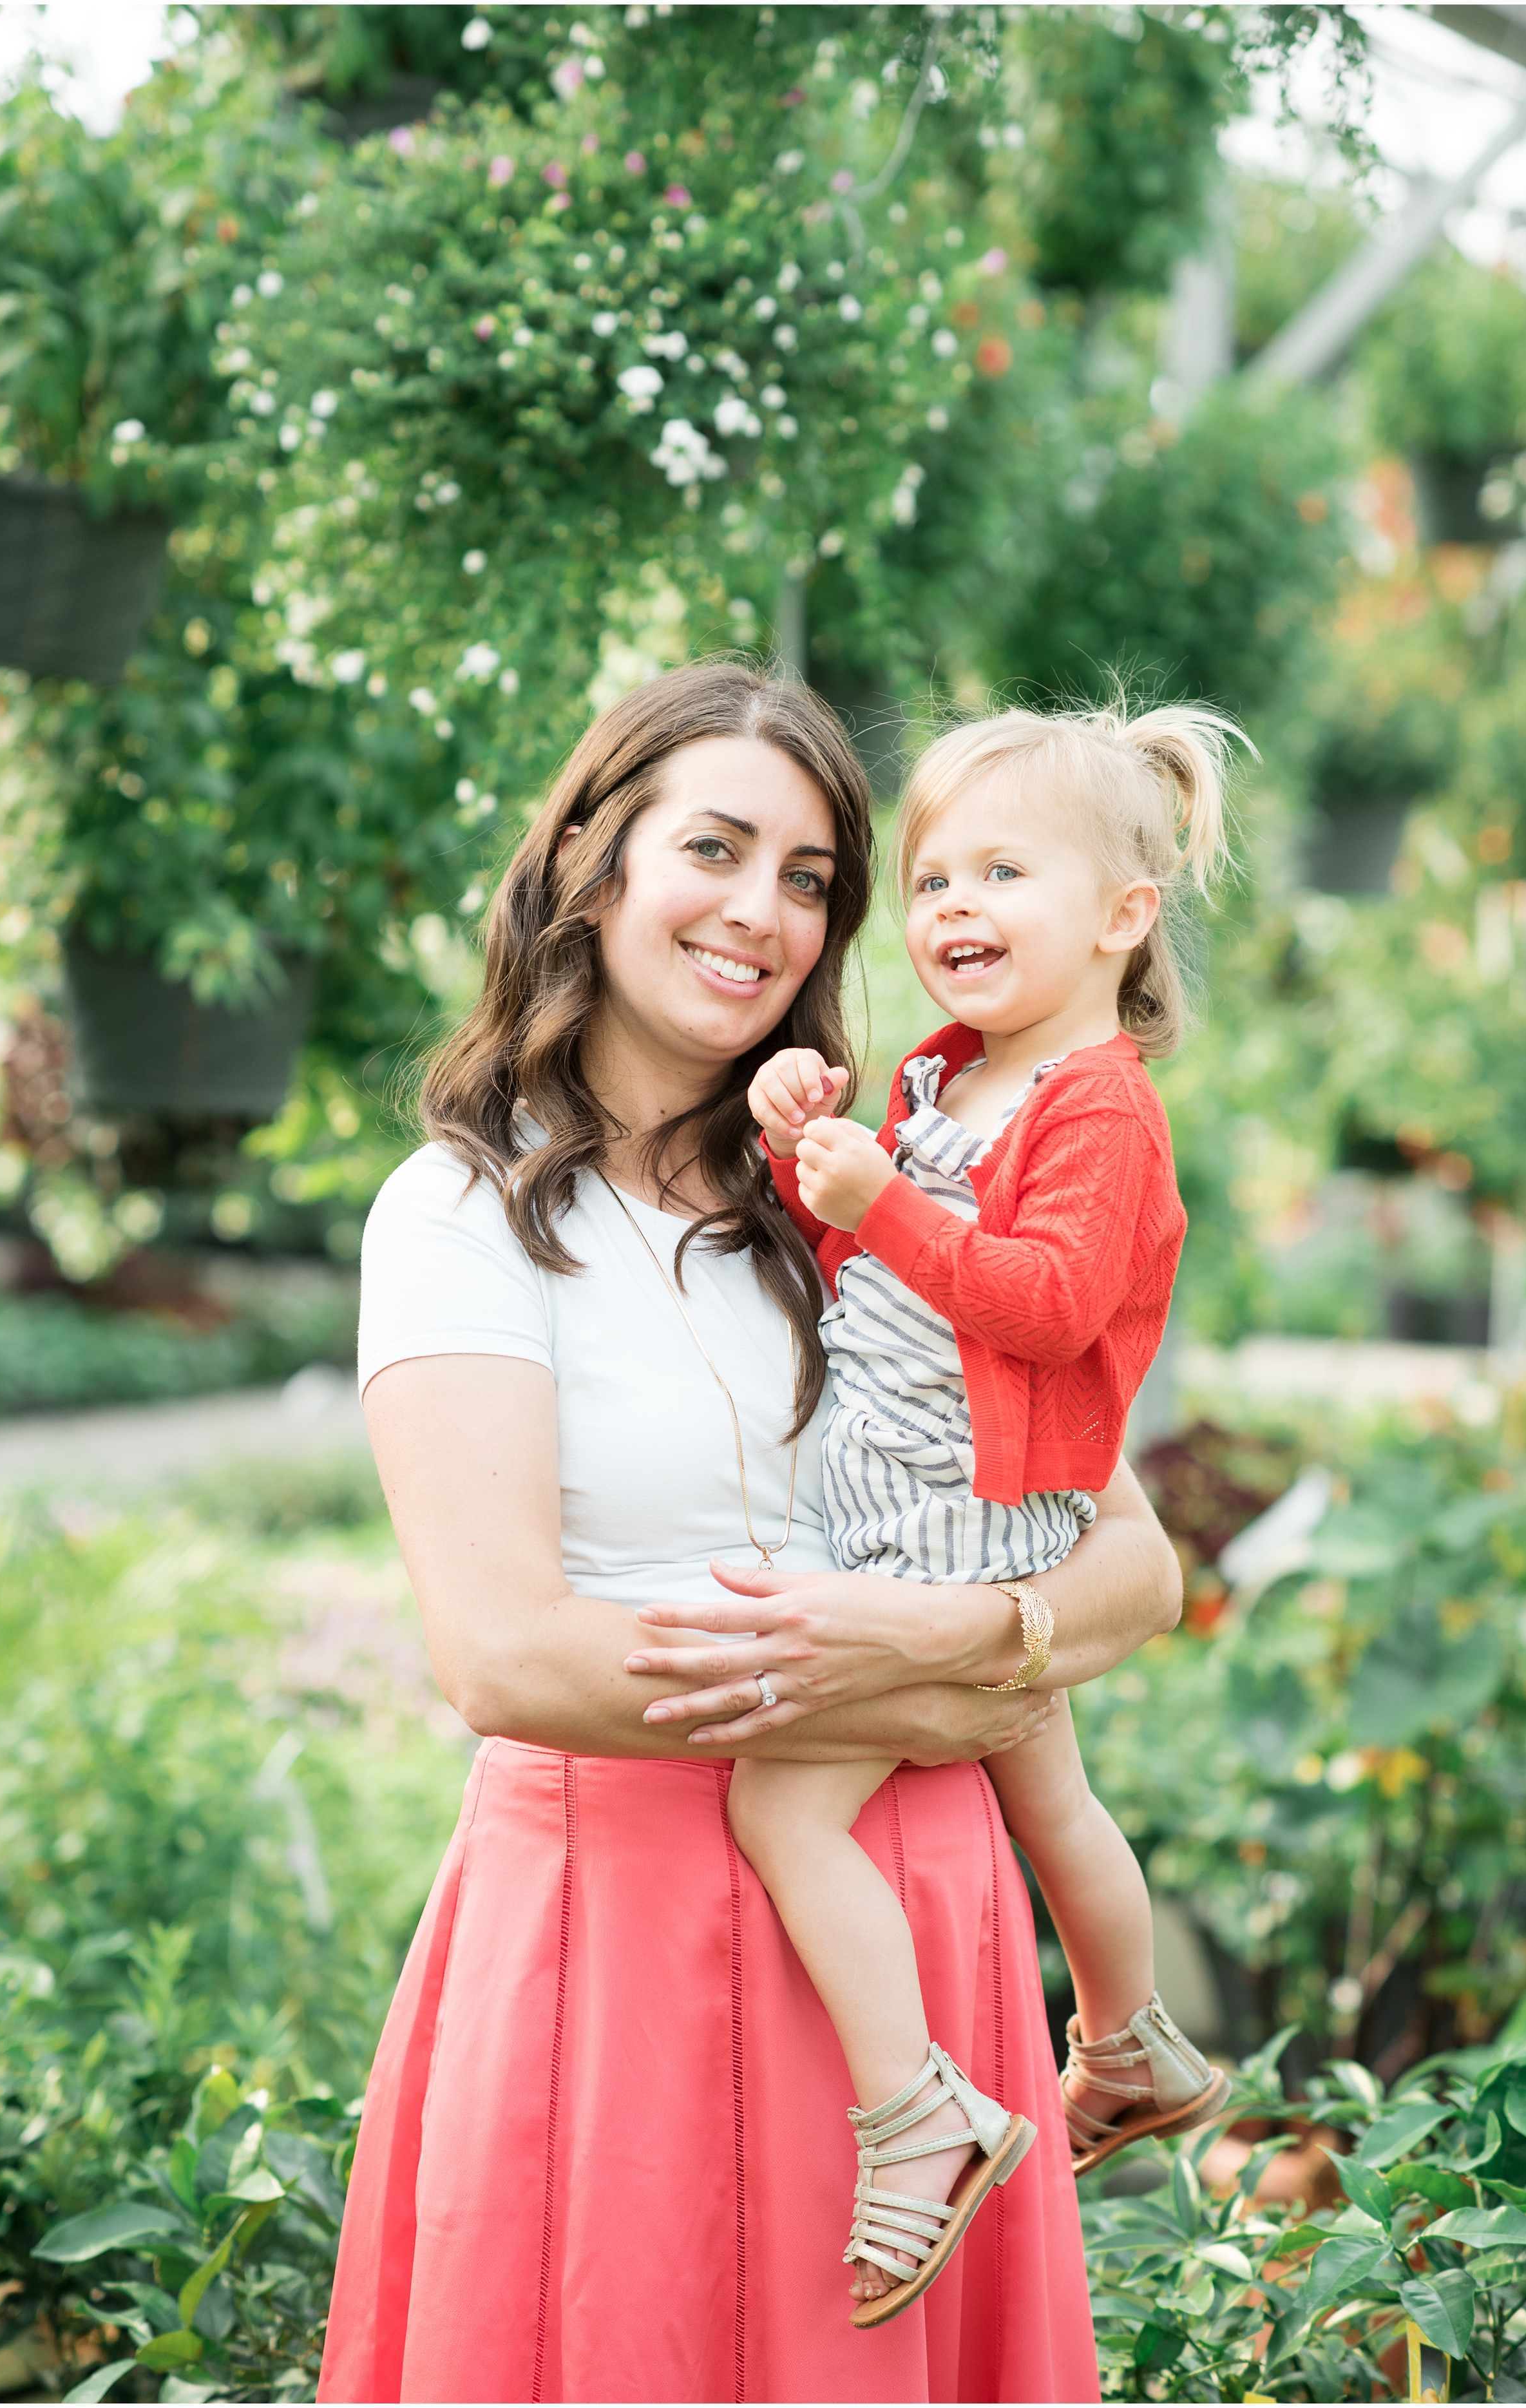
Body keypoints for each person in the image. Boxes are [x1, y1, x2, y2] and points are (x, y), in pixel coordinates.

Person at [316, 663, 1184, 2407]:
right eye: (712, 848)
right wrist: (911, 1676)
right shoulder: (465, 1214)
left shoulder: (871, 1186)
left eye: (808, 881)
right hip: (611, 1935)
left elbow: (1132, 1562)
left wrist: (964, 1648)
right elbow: (500, 1651)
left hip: (913, 1917)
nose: (760, 915)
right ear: (592, 862)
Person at [642, 702, 1240, 2323]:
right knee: (1048, 1790)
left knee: (779, 1809)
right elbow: (870, 1290)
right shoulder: (943, 1071)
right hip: (917, 1487)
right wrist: (804, 1160)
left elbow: (1043, 1308)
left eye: (1000, 871)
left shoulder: (1099, 1108)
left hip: (952, 1524)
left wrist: (883, 1199)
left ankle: (916, 2113)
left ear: (1123, 912)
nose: (951, 908)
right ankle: (1128, 2035)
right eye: (927, 879)